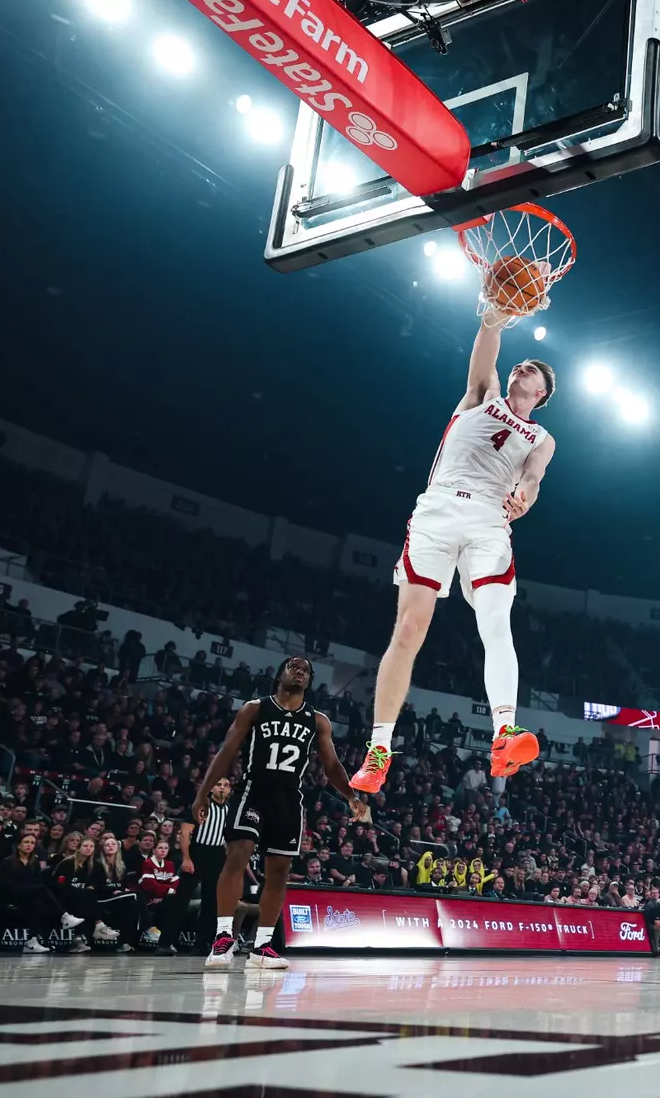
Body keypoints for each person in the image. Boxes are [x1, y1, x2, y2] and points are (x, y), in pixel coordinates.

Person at [352, 317, 552, 795]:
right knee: (409, 628)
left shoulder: (541, 437)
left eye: (534, 371)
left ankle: (505, 731)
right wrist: (494, 318)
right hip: (440, 508)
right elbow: (488, 347)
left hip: (488, 520)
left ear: (543, 394)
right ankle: (379, 748)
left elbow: (533, 478)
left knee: (495, 621)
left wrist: (524, 496)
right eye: (520, 364)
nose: (522, 367)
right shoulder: (483, 395)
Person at [193, 657, 369, 970]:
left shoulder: (318, 720)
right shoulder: (255, 708)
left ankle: (262, 947)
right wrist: (203, 792)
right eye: (294, 667)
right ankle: (222, 938)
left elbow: (331, 765)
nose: (300, 671)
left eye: (306, 670)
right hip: (253, 791)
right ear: (280, 674)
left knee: (278, 872)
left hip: (289, 799)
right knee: (238, 855)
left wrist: (351, 797)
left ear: (310, 681)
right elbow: (227, 751)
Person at [159, 776, 231, 955]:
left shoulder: (229, 810)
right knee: (181, 900)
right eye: (218, 784)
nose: (222, 788)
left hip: (217, 854)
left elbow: (228, 838)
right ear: (211, 788)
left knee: (211, 903)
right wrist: (186, 858)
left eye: (226, 785)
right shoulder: (201, 806)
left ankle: (203, 943)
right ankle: (165, 943)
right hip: (197, 851)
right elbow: (185, 834)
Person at [0, 833, 83, 953]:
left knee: (39, 904)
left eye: (32, 843)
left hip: (28, 895)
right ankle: (64, 916)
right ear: (19, 845)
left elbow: (35, 881)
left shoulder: (34, 862)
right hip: (10, 894)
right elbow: (4, 884)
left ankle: (31, 941)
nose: (29, 845)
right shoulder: (8, 861)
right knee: (41, 889)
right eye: (26, 842)